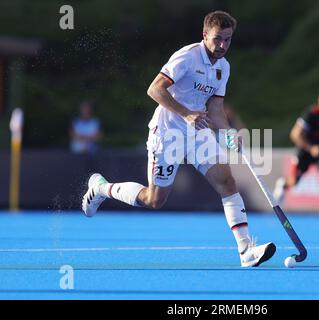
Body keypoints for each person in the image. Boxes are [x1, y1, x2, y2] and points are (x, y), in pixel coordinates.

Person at [81, 11, 276, 267]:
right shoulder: (187, 57)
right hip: (168, 132)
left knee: (227, 181)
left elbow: (216, 110)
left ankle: (245, 251)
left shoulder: (223, 68)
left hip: (198, 133)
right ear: (205, 35)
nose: (223, 45)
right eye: (218, 39)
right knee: (155, 200)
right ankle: (100, 188)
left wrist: (228, 133)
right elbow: (154, 89)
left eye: (228, 40)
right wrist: (186, 114)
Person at [273, 87, 319, 224]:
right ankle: (283, 184)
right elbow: (294, 135)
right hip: (304, 152)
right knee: (294, 182)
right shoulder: (311, 114)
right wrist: (311, 148)